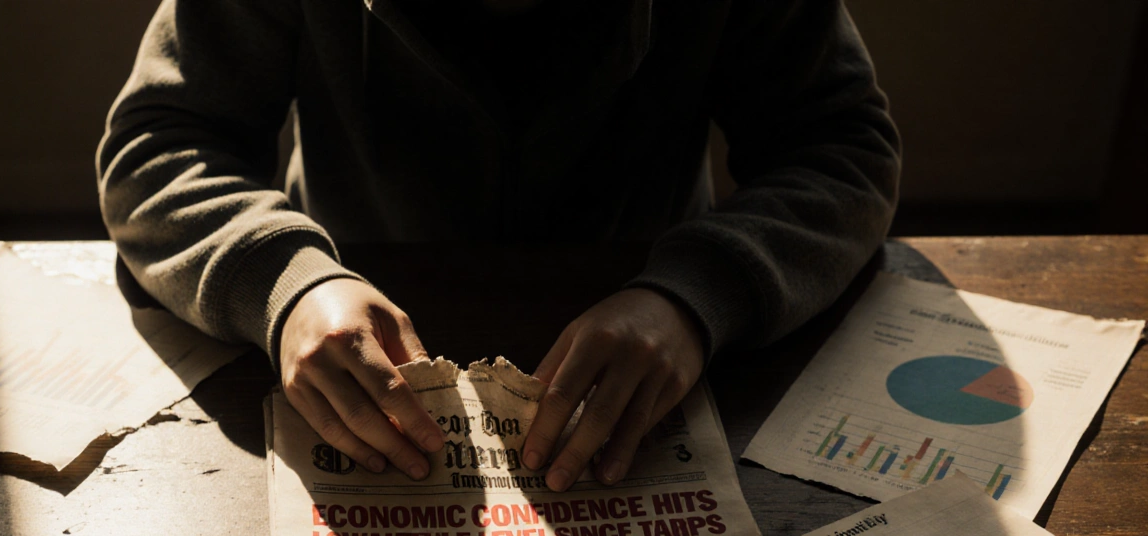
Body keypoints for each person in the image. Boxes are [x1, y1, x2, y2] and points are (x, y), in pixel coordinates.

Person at [97, 0, 901, 492]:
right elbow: (163, 145)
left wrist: (696, 297)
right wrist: (288, 284)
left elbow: (841, 147)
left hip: (659, 351)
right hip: (348, 344)